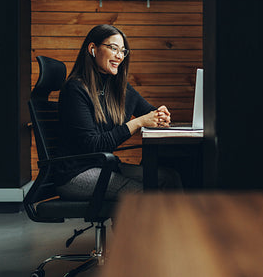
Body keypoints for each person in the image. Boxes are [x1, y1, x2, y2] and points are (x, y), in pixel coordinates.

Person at [56, 24, 182, 200]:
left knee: (169, 178)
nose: (119, 56)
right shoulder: (75, 89)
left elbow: (149, 111)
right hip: (75, 173)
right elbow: (93, 145)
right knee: (144, 194)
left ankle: (174, 228)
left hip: (104, 165)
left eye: (123, 51)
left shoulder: (119, 87)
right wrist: (138, 122)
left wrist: (161, 115)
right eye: (113, 48)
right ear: (93, 49)